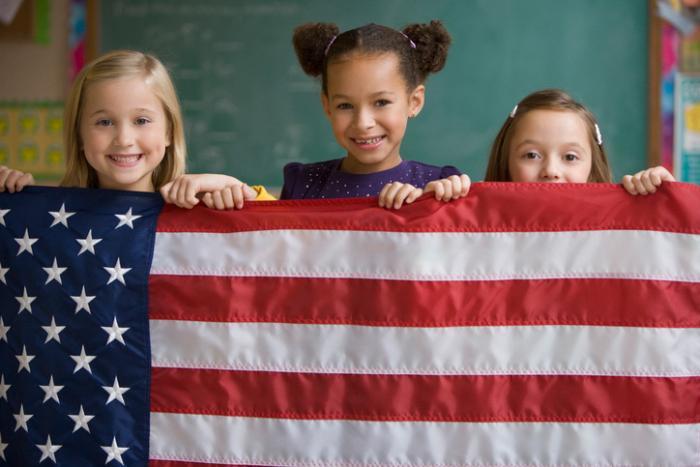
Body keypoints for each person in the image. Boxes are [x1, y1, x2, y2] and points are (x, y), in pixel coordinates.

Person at [0, 50, 272, 208]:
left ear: (168, 132)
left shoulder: (200, 208)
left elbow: (284, 234)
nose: (124, 139)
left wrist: (237, 190)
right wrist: (14, 201)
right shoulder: (45, 215)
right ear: (79, 134)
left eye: (141, 121)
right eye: (104, 122)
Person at [284, 21, 470, 209]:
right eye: (345, 105)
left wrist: (429, 207)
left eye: (381, 102)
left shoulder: (437, 187)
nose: (363, 123)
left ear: (414, 102)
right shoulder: (301, 186)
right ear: (327, 106)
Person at [418, 88, 674, 199]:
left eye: (570, 157)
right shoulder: (473, 226)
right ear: (505, 161)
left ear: (593, 168)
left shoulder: (619, 231)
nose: (551, 171)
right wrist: (432, 209)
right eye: (531, 155)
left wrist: (664, 201)